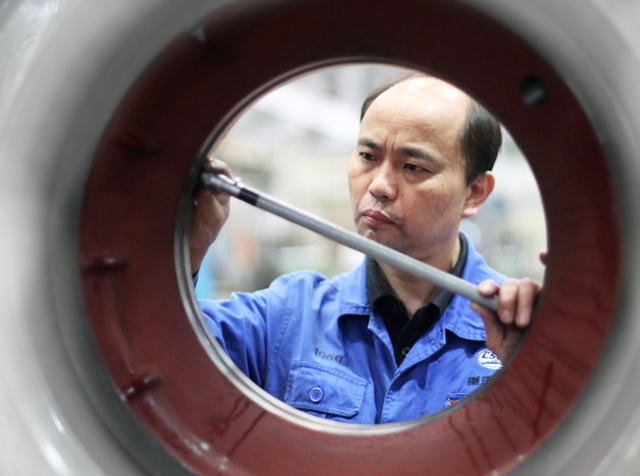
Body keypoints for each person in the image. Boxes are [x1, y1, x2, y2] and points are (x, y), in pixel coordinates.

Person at [189, 74, 542, 424]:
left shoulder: (521, 332)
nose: (379, 186)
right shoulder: (287, 317)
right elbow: (168, 358)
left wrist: (536, 369)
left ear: (475, 192)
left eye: (413, 166)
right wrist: (186, 247)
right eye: (368, 156)